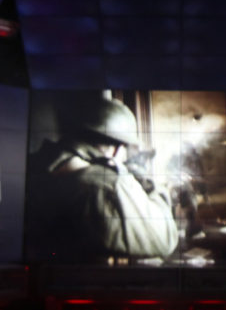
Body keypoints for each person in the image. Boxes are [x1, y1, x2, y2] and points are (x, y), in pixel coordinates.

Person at [28, 98, 178, 263]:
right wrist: (154, 189)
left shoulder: (37, 164)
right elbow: (164, 240)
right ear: (117, 149)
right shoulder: (107, 185)